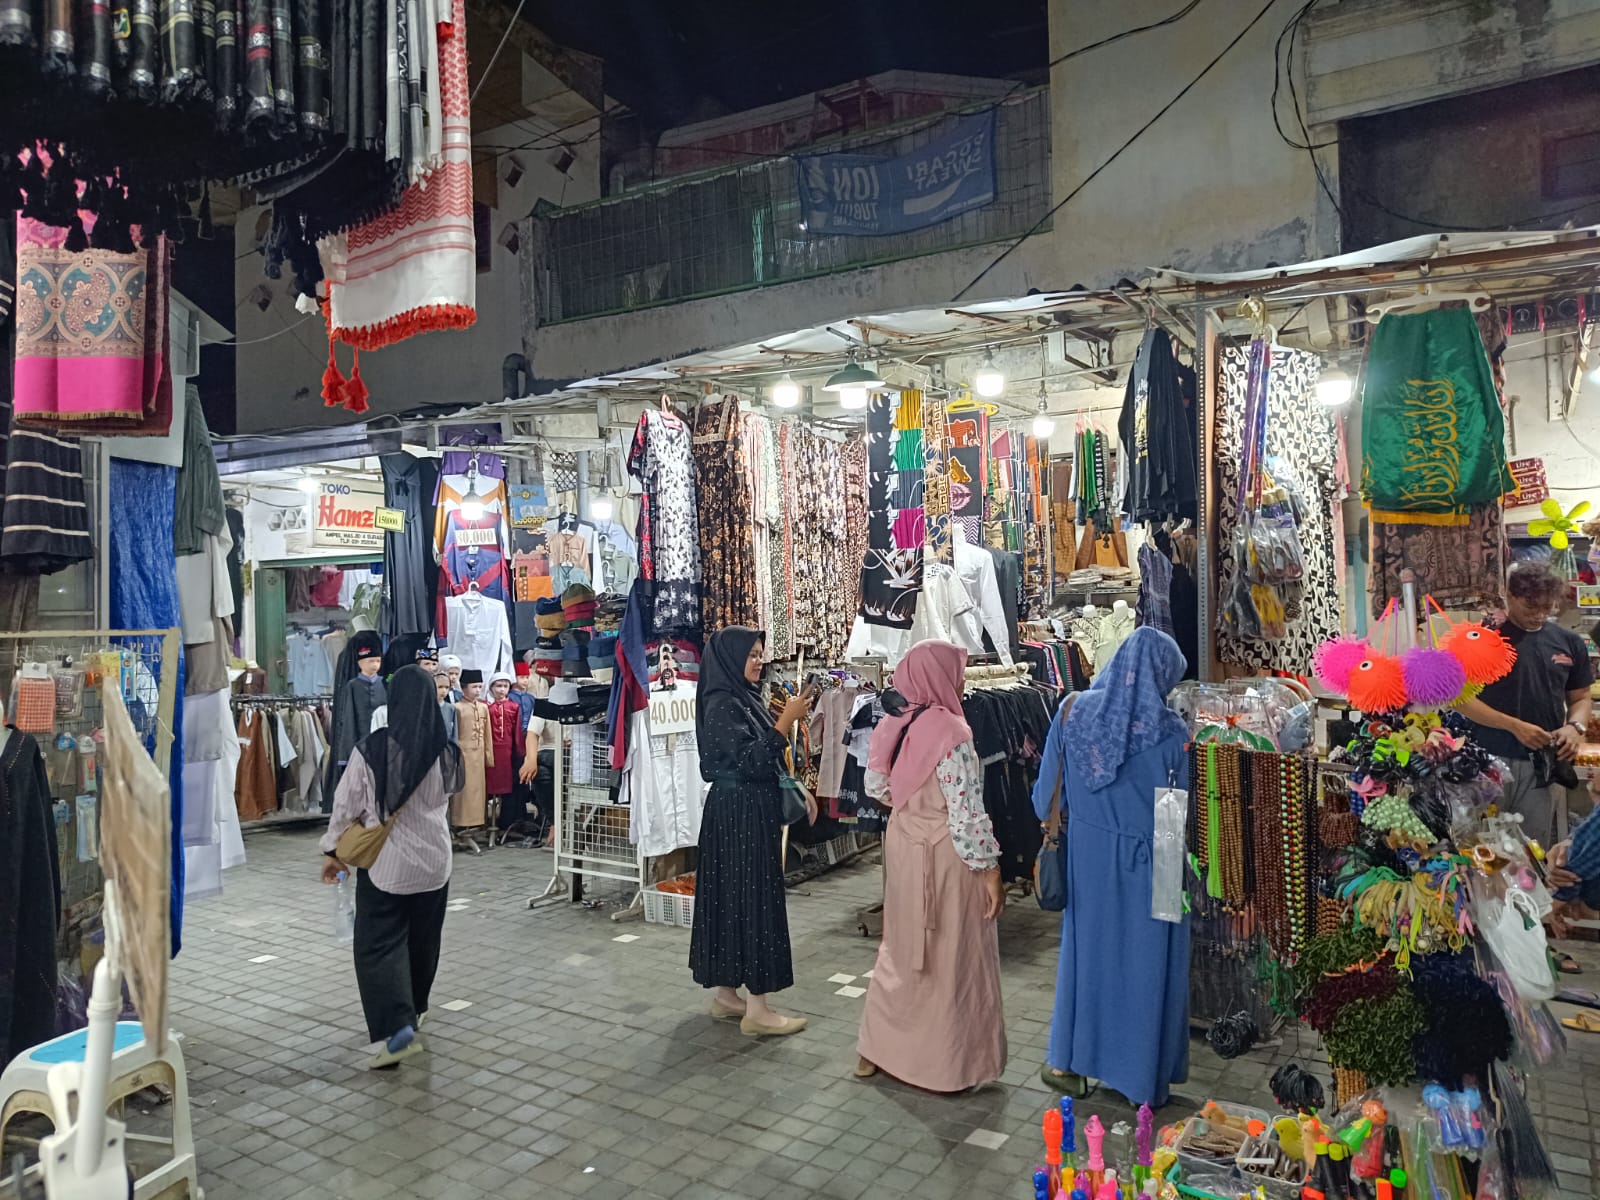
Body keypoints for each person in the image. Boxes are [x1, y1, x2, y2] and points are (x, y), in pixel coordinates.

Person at [1032, 627, 1191, 1106]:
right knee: (1147, 963)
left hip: (1088, 861)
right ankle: (1140, 1075)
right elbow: (1174, 820)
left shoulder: (1070, 713)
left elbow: (1044, 800)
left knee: (1087, 961)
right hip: (1153, 861)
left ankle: (1069, 1063)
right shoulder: (1171, 735)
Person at [856, 639, 1006, 1091]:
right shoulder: (952, 732)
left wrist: (912, 812)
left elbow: (876, 788)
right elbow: (966, 813)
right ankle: (945, 1068)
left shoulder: (892, 723)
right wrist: (990, 869)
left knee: (901, 952)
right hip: (947, 856)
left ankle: (875, 1050)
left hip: (902, 847)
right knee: (951, 958)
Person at [319, 665, 463, 1069]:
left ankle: (396, 1029)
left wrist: (333, 850)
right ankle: (415, 1009)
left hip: (389, 867)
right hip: (436, 864)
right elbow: (447, 797)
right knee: (423, 941)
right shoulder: (446, 750)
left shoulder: (373, 750)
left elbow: (345, 807)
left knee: (378, 946)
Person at [689, 626, 815, 1036]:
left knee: (732, 897)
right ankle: (758, 1010)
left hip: (738, 813)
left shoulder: (739, 698)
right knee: (755, 899)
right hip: (739, 815)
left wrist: (794, 786)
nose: (759, 661)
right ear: (730, 659)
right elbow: (749, 762)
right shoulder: (723, 703)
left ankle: (727, 995)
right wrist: (784, 723)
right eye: (752, 655)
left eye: (761, 654)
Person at [1460, 564, 1594, 848]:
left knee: (1533, 849)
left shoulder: (1568, 641)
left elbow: (1581, 697)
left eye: (1547, 607)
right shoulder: (1483, 638)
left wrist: (1575, 727)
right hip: (1487, 759)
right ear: (1509, 595)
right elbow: (1460, 699)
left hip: (1542, 765)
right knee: (1480, 848)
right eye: (1531, 606)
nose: (1540, 614)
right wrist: (1513, 725)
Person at [434, 672, 459, 742]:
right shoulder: (426, 707)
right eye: (440, 687)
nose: (444, 691)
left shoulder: (451, 708)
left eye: (447, 687)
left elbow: (454, 732)